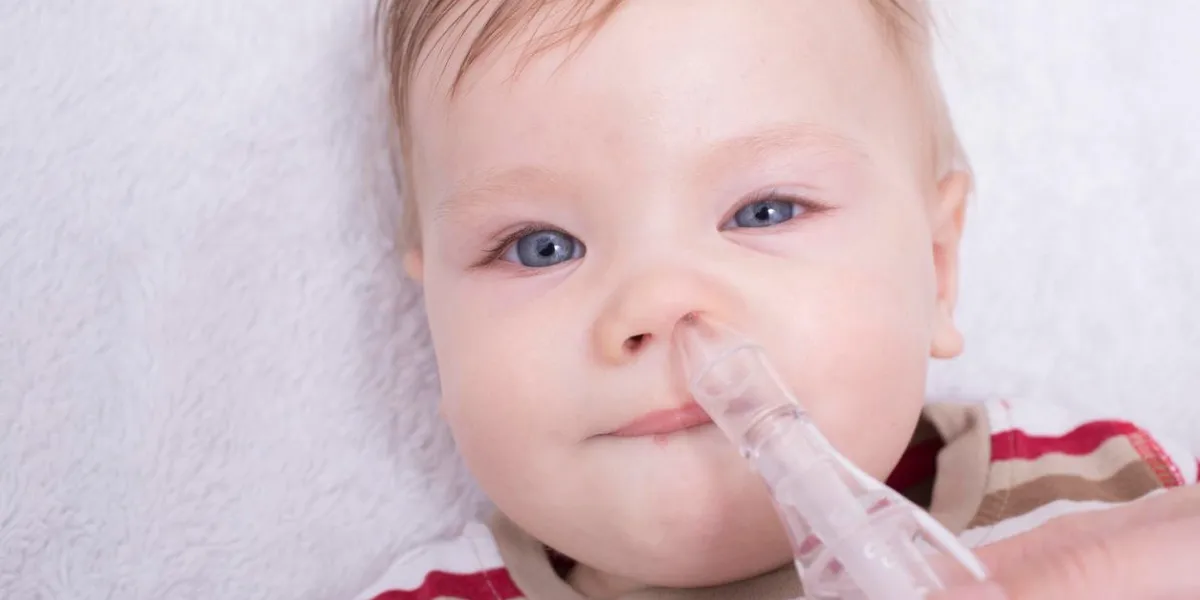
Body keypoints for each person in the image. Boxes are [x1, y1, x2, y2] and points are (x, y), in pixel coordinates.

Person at [358, 1, 1199, 598]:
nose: (659, 304)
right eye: (542, 248)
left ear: (937, 266)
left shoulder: (1118, 493)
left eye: (765, 211)